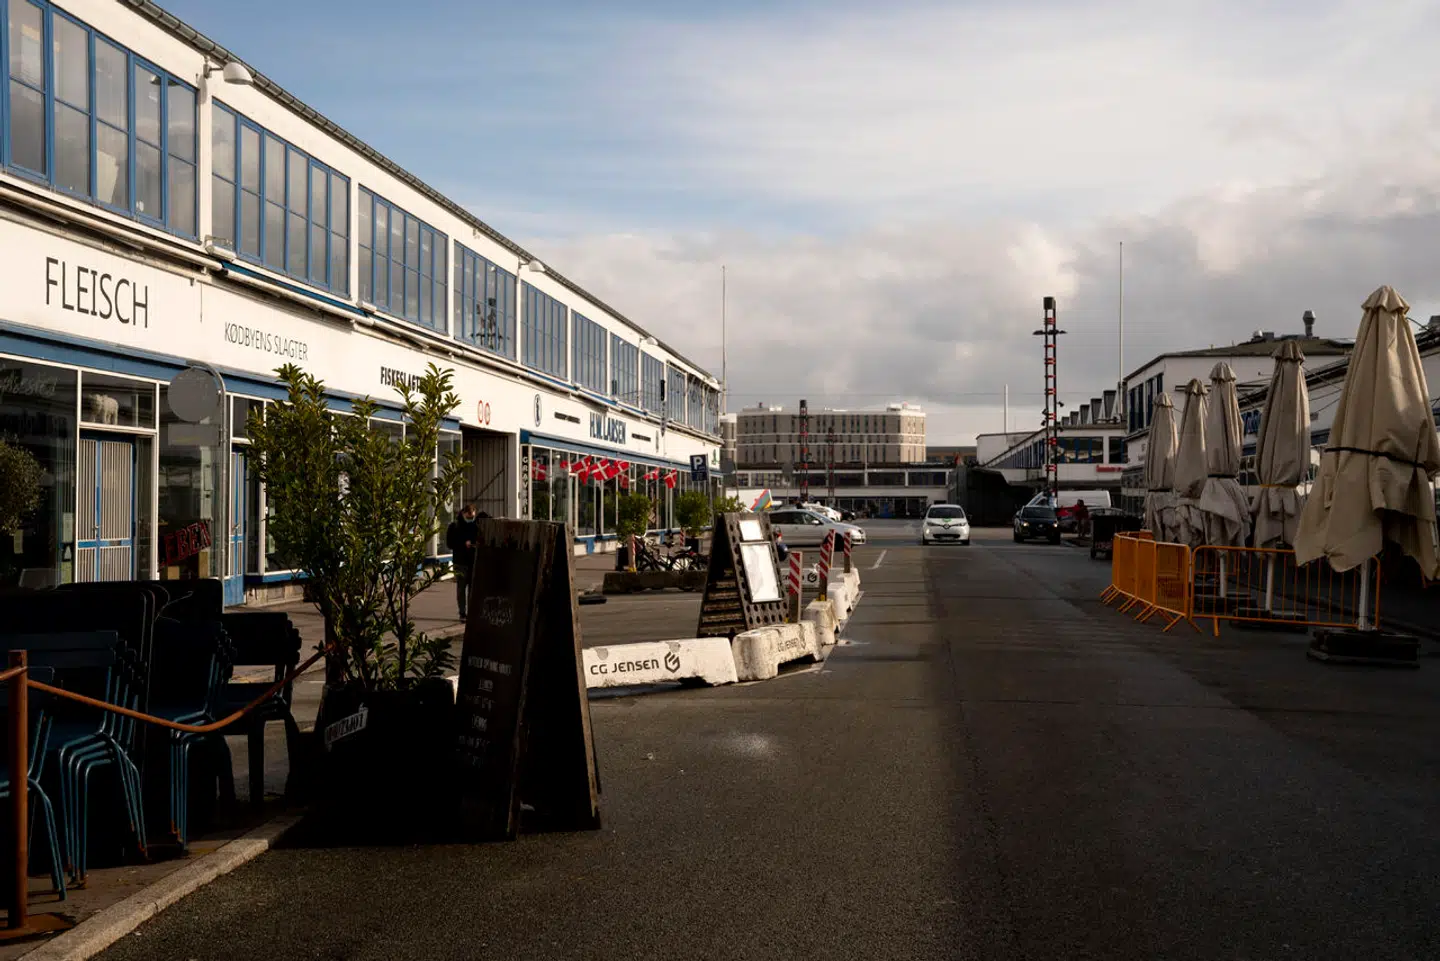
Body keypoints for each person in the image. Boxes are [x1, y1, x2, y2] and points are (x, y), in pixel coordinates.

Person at [446, 503, 479, 620]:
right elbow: (450, 543)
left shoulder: (476, 526)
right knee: (461, 588)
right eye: (469, 517)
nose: (471, 519)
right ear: (464, 514)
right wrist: (463, 543)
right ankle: (462, 613)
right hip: (460, 561)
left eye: (472, 517)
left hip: (473, 561)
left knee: (472, 589)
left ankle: (471, 613)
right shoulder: (455, 526)